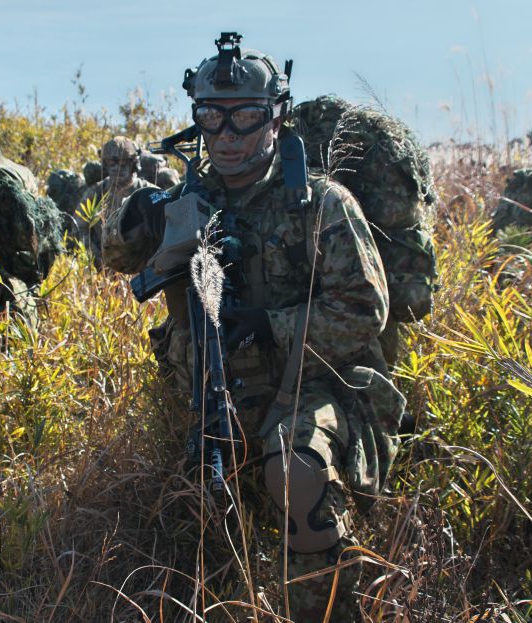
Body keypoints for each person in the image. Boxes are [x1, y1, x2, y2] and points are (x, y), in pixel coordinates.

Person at [102, 33, 406, 620]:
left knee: (297, 474)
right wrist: (134, 216)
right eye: (211, 118)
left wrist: (273, 326)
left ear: (276, 119)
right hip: (212, 395)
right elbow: (112, 257)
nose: (227, 136)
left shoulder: (319, 203)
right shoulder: (184, 201)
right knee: (197, 521)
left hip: (313, 387)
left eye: (245, 118)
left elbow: (365, 311)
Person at [76, 137, 156, 266]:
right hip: (102, 268)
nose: (117, 168)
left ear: (133, 164)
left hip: (142, 265)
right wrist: (96, 258)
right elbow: (79, 227)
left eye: (123, 163)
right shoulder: (96, 192)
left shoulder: (149, 191)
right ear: (105, 165)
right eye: (112, 163)